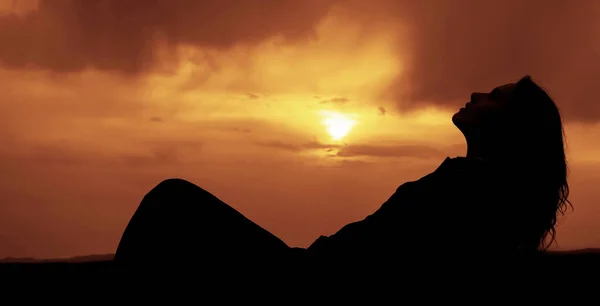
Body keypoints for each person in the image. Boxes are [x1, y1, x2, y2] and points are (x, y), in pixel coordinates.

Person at [114, 75, 571, 272]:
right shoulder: (474, 188)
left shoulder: (468, 192)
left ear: (511, 128)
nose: (475, 93)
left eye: (493, 96)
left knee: (172, 199)